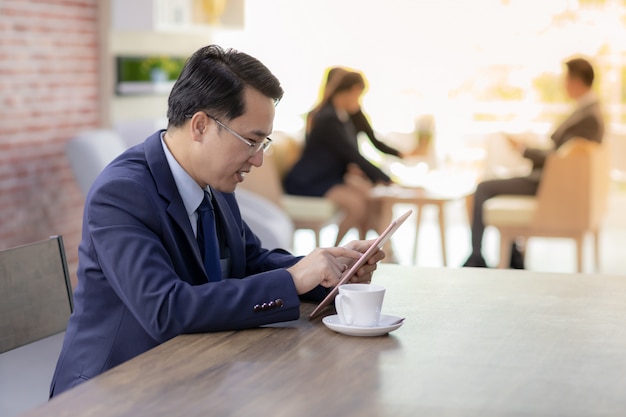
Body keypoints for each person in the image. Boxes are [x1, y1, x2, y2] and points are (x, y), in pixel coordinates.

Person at [50, 45, 384, 397]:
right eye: (251, 141)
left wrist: (326, 271)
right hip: (112, 392)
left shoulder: (213, 182)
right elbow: (165, 309)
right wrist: (293, 279)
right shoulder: (121, 193)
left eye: (264, 143)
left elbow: (249, 261)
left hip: (191, 373)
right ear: (200, 126)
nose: (257, 160)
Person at [463, 57, 604, 268]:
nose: (562, 84)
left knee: (483, 187)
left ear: (576, 80)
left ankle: (476, 257)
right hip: (551, 178)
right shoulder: (588, 111)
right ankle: (513, 258)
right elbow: (561, 152)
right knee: (493, 183)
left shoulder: (589, 117)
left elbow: (557, 159)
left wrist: (523, 149)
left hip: (548, 183)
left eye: (565, 79)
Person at [284, 69, 392, 245]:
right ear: (352, 91)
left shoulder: (342, 117)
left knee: (367, 197)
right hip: (308, 180)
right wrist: (384, 178)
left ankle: (364, 251)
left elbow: (352, 153)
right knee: (356, 206)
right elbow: (351, 153)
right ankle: (336, 252)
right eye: (358, 95)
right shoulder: (328, 119)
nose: (359, 101)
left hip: (328, 178)